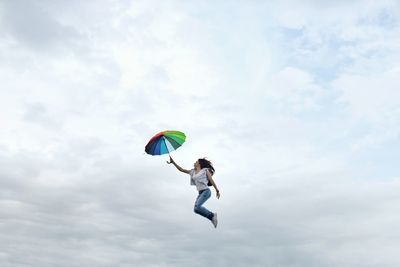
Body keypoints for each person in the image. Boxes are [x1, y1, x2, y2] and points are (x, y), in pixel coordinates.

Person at [167, 156, 220, 228]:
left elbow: (211, 180)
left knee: (197, 207)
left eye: (196, 161)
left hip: (206, 191)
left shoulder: (205, 170)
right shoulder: (192, 172)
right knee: (196, 209)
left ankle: (212, 215)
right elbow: (181, 169)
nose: (195, 162)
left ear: (199, 163)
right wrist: (173, 162)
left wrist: (217, 190)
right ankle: (211, 217)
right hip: (200, 193)